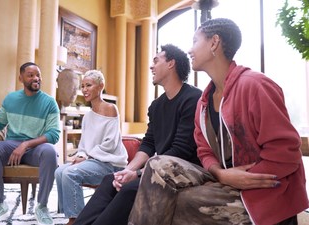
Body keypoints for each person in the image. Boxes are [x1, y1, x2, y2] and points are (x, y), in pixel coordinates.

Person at [128, 18, 309, 225]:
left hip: (265, 192)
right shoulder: (204, 101)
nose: (190, 49)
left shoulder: (255, 85)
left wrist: (245, 177)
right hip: (225, 181)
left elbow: (286, 151)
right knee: (156, 164)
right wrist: (221, 175)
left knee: (183, 201)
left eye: (195, 41)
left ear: (214, 43)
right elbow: (204, 150)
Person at [73, 44, 203, 225]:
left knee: (129, 189)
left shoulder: (193, 98)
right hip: (158, 167)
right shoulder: (156, 105)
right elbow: (148, 144)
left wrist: (139, 174)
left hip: (182, 168)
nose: (151, 66)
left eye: (156, 61)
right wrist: (128, 170)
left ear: (171, 64)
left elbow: (180, 150)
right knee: (110, 180)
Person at [0, 62, 60, 225]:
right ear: (21, 78)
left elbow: (53, 134)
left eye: (38, 75)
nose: (36, 78)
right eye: (31, 75)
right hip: (11, 146)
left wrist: (25, 145)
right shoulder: (11, 99)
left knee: (51, 152)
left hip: (35, 148)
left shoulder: (49, 102)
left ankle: (42, 207)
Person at [55, 69, 128, 225]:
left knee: (69, 173)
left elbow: (110, 143)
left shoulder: (110, 109)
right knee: (60, 171)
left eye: (89, 85)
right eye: (82, 86)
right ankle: (71, 215)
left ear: (100, 86)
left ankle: (78, 220)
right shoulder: (87, 116)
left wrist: (87, 156)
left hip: (110, 165)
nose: (85, 89)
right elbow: (84, 145)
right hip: (94, 161)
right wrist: (81, 154)